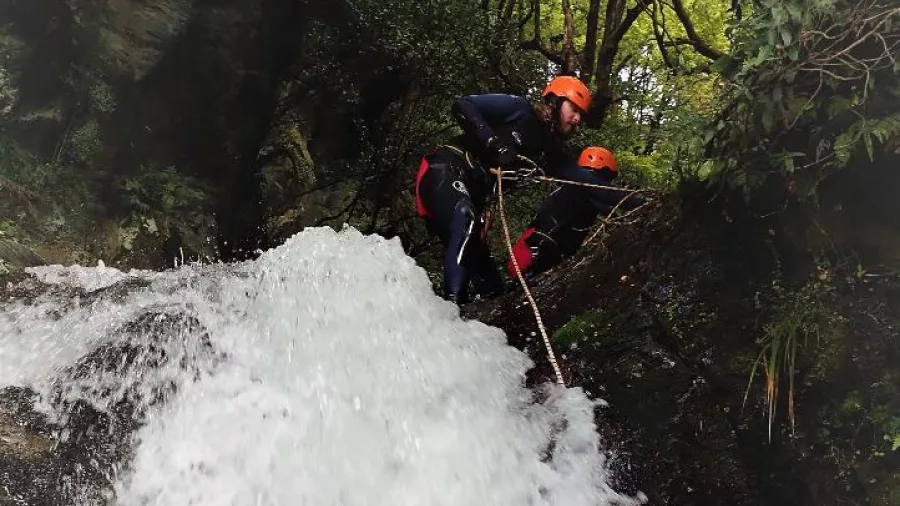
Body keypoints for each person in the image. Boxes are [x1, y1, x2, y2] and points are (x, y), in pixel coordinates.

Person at [415, 76, 592, 304]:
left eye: (581, 115)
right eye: (574, 109)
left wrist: (635, 200)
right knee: (465, 217)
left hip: (472, 197)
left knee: (493, 289)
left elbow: (585, 181)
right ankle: (450, 309)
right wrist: (493, 143)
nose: (577, 119)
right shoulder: (519, 110)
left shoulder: (549, 151)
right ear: (555, 102)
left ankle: (467, 317)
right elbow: (463, 105)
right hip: (445, 170)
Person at [507, 146, 644, 279]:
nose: (607, 182)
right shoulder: (580, 185)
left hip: (534, 255)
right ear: (603, 170)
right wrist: (643, 203)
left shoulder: (574, 190)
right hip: (534, 257)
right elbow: (607, 194)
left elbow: (605, 207)